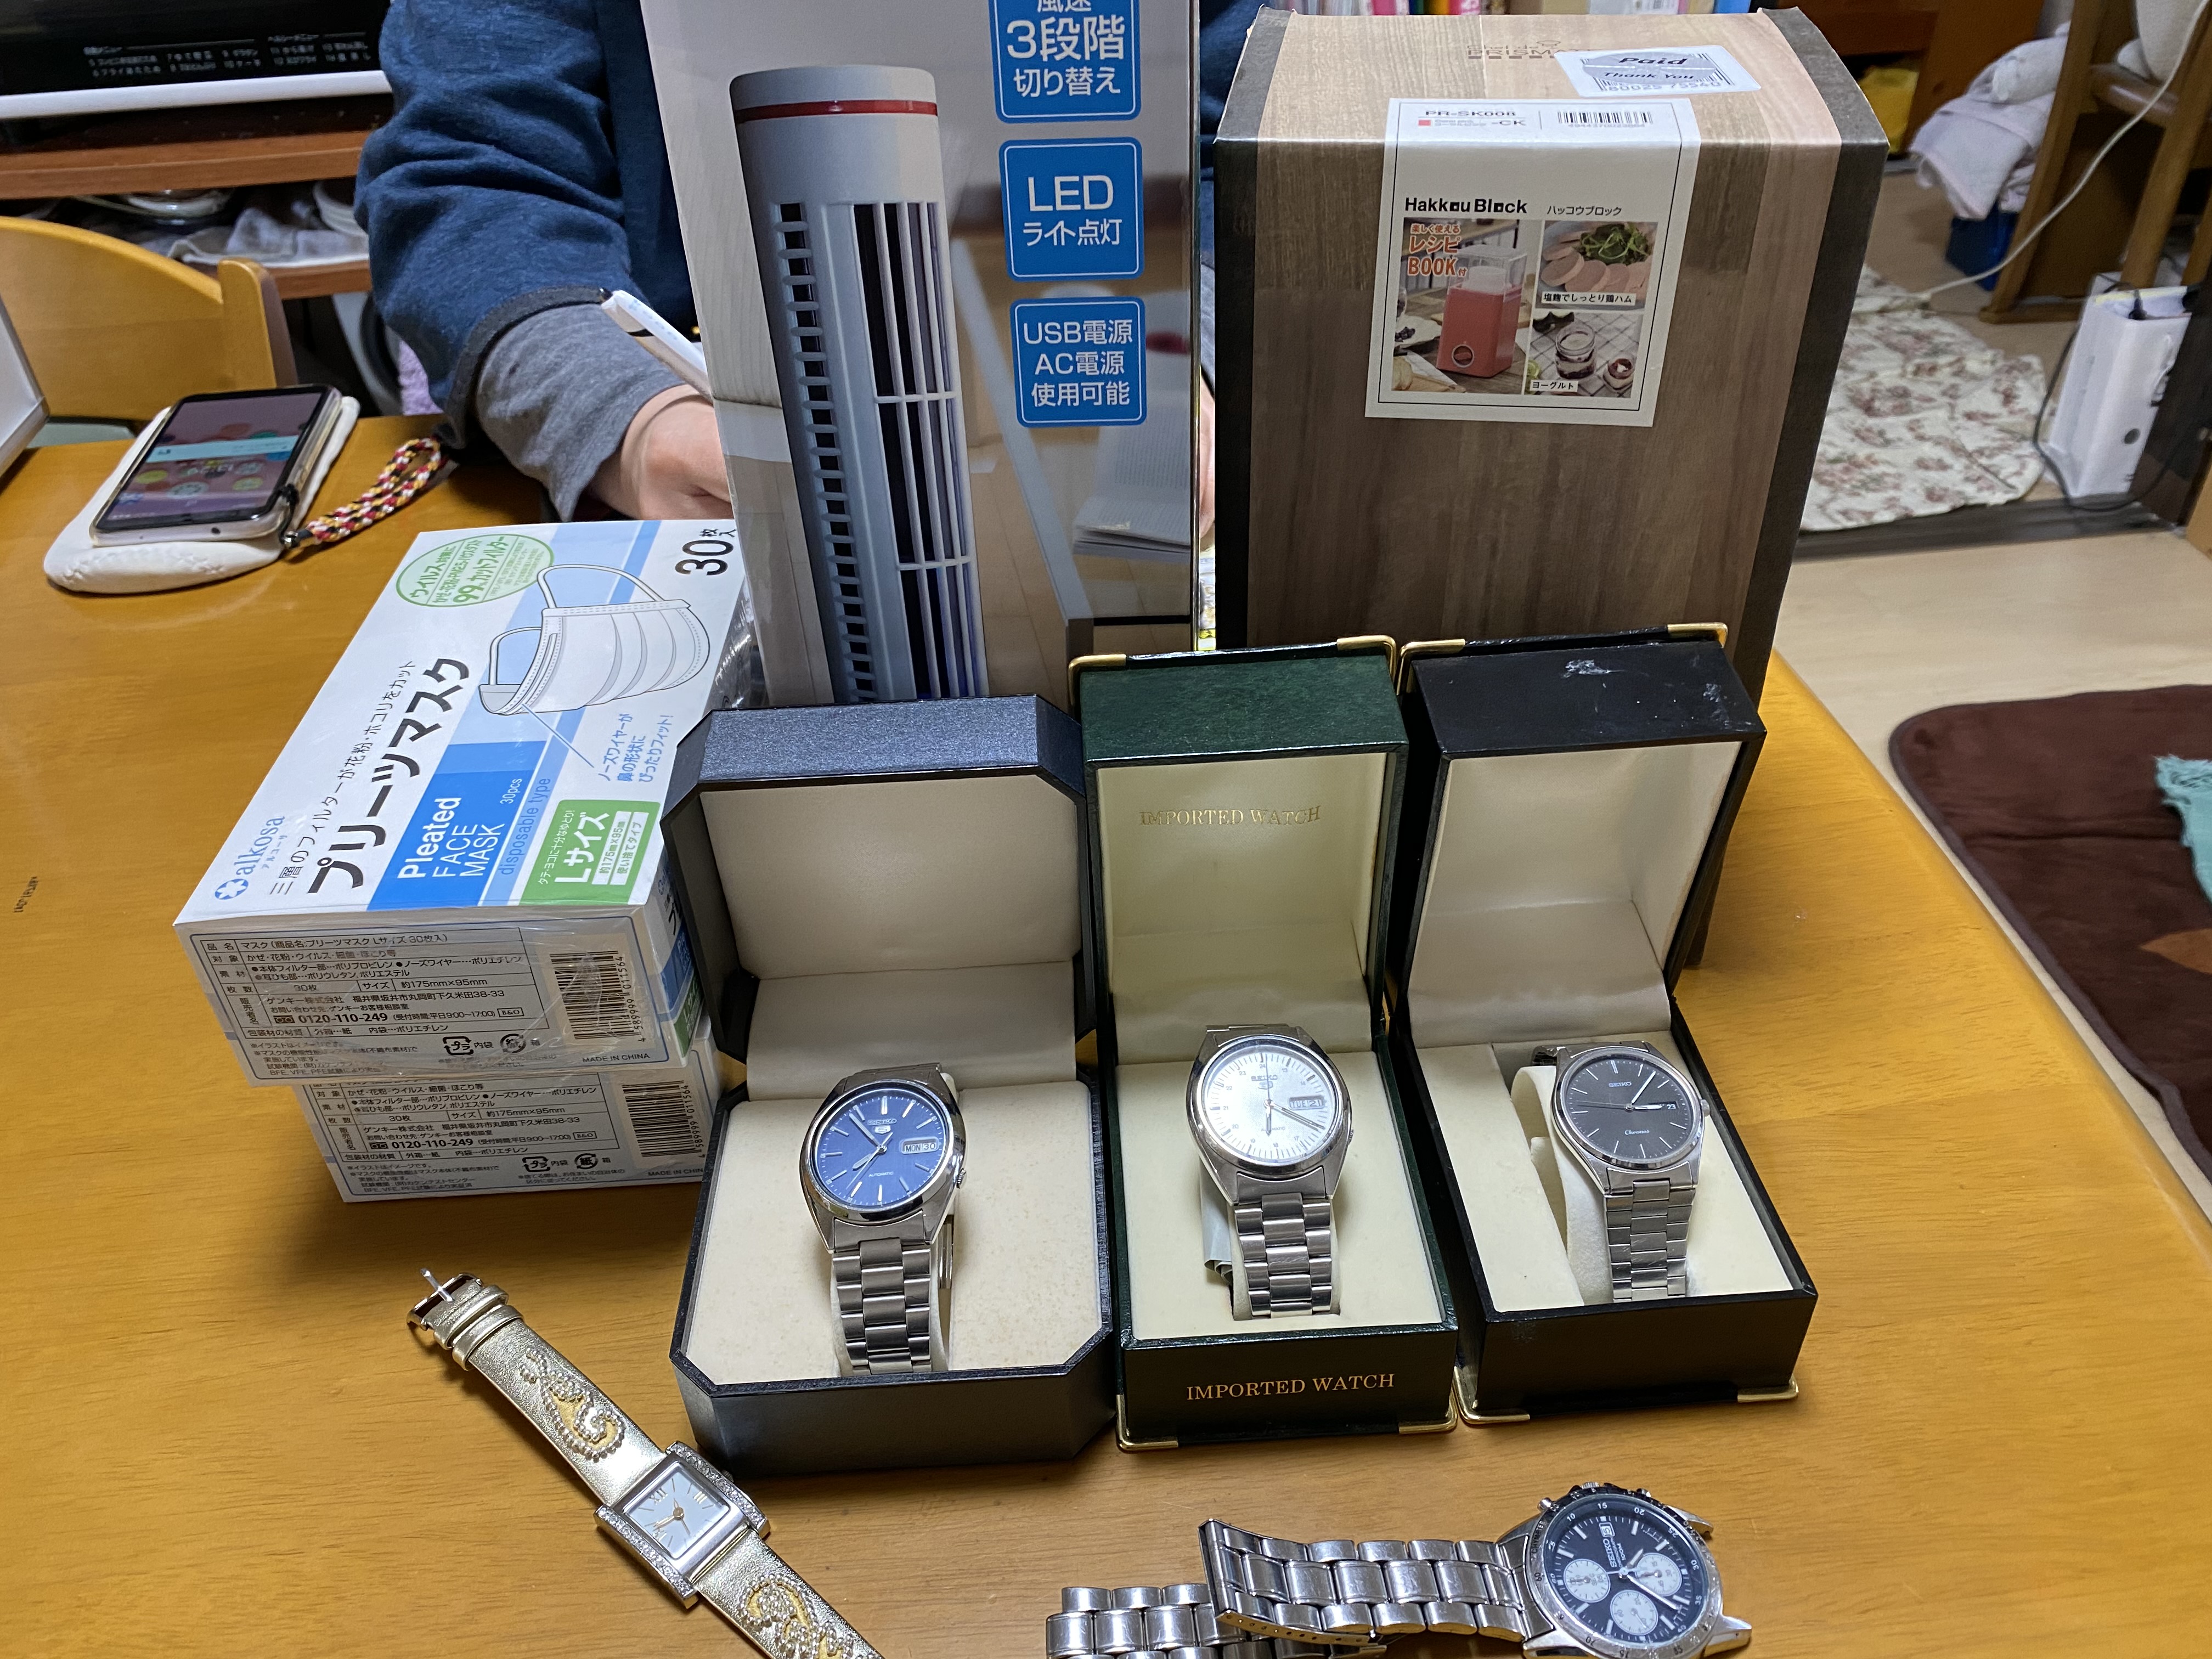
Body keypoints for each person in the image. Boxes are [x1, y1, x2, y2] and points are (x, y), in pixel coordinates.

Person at [358, 0, 1257, 527]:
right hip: (689, 397)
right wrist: (630, 426)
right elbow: (476, 177)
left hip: (1081, 360)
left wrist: (1191, 345)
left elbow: (1235, 146)